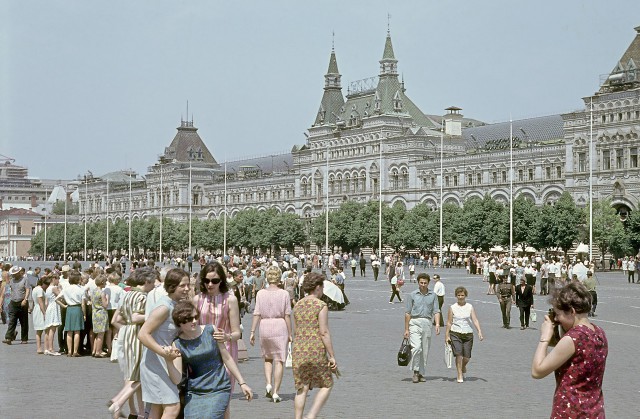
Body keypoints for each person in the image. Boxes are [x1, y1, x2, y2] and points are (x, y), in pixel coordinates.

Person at [531, 282, 608, 418]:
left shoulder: (573, 339)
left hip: (570, 411)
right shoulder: (599, 332)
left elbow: (537, 371)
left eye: (558, 314)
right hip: (594, 411)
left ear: (572, 311)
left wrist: (545, 337)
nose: (556, 318)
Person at [167, 300, 253, 419]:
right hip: (195, 391)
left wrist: (242, 383)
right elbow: (176, 379)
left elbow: (226, 357)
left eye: (195, 317)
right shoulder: (178, 344)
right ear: (180, 323)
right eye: (189, 319)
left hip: (219, 388)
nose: (194, 321)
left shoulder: (210, 330)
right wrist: (168, 360)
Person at [138, 268, 191, 419]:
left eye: (188, 285)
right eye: (183, 286)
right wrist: (162, 352)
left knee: (156, 407)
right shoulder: (164, 307)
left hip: (163, 360)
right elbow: (142, 334)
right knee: (172, 407)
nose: (187, 289)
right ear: (172, 286)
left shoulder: (174, 304)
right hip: (156, 362)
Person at [193, 262, 242, 419]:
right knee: (204, 396)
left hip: (225, 351)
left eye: (214, 281)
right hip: (201, 352)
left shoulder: (230, 300)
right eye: (206, 280)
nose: (209, 284)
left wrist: (227, 336)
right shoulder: (197, 299)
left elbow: (237, 332)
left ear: (221, 280)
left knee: (223, 397)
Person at [109, 268, 158, 419]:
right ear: (146, 281)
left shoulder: (128, 294)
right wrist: (154, 314)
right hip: (138, 333)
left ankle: (134, 409)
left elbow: (117, 319)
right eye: (152, 282)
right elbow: (137, 317)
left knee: (133, 373)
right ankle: (118, 402)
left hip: (128, 332)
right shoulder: (142, 296)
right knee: (140, 373)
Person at [292, 272, 338, 419]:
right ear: (317, 287)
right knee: (327, 383)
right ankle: (311, 416)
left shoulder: (298, 305)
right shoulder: (321, 305)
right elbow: (324, 332)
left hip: (299, 349)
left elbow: (296, 329)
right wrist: (332, 355)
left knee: (302, 387)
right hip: (315, 349)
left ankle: (298, 417)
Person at [249, 265, 292, 403]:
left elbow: (257, 313)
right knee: (279, 359)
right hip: (280, 326)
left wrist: (252, 332)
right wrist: (290, 334)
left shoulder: (260, 294)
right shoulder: (284, 294)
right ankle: (275, 392)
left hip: (265, 326)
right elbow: (287, 315)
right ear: (279, 278)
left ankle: (268, 383)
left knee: (267, 358)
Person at [404, 273, 441, 383]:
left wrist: (437, 324)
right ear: (418, 282)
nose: (423, 285)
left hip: (427, 322)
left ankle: (420, 372)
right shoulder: (412, 295)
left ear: (428, 283)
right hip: (414, 322)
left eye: (425, 283)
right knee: (416, 348)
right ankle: (415, 371)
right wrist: (406, 329)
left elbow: (436, 311)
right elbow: (407, 313)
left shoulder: (433, 295)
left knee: (424, 350)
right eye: (421, 283)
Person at [445, 286, 483, 383]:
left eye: (462, 295)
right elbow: (449, 322)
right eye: (458, 295)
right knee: (458, 354)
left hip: (468, 333)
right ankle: (459, 374)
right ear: (456, 296)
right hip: (455, 332)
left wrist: (479, 331)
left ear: (465, 296)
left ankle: (463, 366)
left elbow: (475, 319)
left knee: (467, 356)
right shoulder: (452, 307)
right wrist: (447, 335)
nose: (460, 297)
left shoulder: (469, 307)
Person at [58, 270, 87, 356]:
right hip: (77, 308)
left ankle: (69, 351)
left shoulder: (66, 289)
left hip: (69, 309)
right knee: (77, 331)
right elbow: (83, 304)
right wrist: (84, 314)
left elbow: (57, 299)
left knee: (69, 331)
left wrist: (64, 305)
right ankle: (75, 351)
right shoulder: (81, 289)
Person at [1, 266, 31, 344]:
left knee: (23, 321)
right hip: (13, 302)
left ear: (19, 273)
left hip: (22, 301)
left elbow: (27, 289)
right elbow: (9, 288)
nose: (13, 275)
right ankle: (8, 338)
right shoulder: (12, 281)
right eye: (13, 274)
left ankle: (24, 339)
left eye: (15, 274)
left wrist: (25, 299)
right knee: (12, 320)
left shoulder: (25, 279)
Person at [44, 274, 63, 355]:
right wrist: (60, 288)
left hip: (49, 307)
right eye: (58, 279)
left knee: (48, 329)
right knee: (53, 328)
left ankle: (46, 348)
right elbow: (61, 295)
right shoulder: (53, 288)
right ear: (54, 279)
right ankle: (51, 348)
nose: (58, 281)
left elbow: (46, 302)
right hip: (54, 306)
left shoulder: (48, 288)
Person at [90, 275, 109, 358]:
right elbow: (105, 305)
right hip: (101, 313)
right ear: (102, 282)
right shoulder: (102, 292)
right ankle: (98, 351)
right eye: (105, 282)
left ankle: (94, 350)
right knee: (101, 334)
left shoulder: (93, 291)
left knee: (97, 333)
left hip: (95, 313)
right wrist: (107, 298)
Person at [31, 276, 49, 354]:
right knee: (45, 329)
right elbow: (41, 302)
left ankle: (39, 348)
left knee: (39, 331)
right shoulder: (40, 290)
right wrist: (44, 313)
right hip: (40, 309)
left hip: (36, 308)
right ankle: (44, 347)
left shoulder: (35, 288)